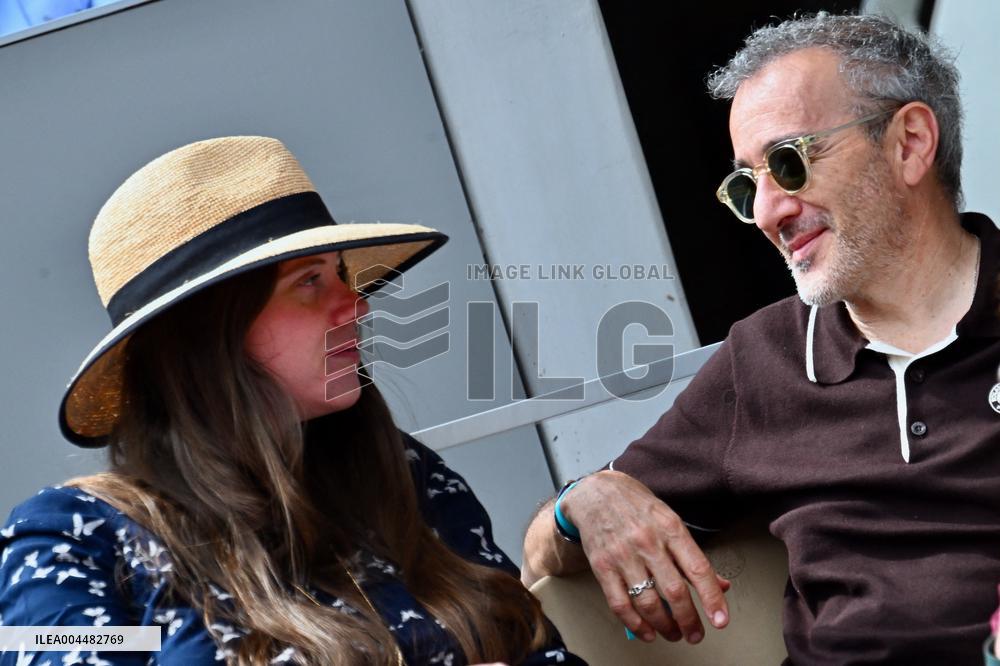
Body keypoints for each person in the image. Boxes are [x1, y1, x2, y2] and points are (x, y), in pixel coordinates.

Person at [522, 12, 1000, 665]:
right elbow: (542, 552)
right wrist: (587, 499)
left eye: (790, 162)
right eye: (749, 185)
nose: (769, 213)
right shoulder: (763, 361)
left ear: (910, 142)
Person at [0, 136, 585, 666]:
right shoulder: (73, 540)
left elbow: (539, 650)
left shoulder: (404, 476)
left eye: (341, 275)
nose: (357, 305)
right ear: (206, 336)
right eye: (309, 281)